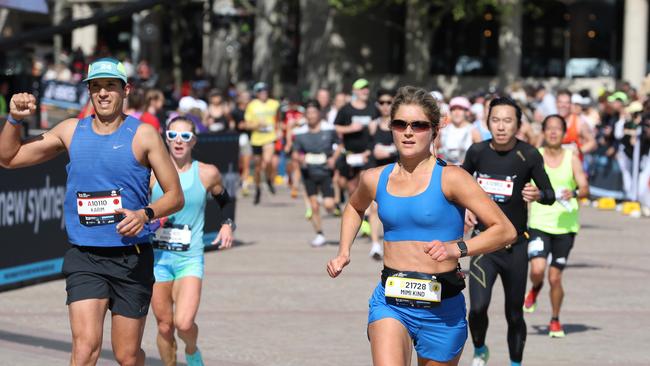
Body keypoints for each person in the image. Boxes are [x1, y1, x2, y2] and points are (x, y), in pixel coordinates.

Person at [0, 57, 184, 366]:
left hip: (131, 256)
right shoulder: (71, 131)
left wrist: (144, 214)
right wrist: (14, 120)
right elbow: (8, 158)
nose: (102, 93)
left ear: (125, 90)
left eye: (110, 86)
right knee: (85, 350)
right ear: (88, 91)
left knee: (127, 356)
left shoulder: (143, 135)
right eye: (95, 86)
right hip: (85, 256)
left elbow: (175, 196)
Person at [327, 86, 516, 366]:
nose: (408, 132)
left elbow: (505, 230)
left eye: (418, 125)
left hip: (443, 305)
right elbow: (355, 207)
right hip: (391, 302)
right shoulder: (375, 178)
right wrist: (344, 251)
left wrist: (459, 249)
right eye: (400, 124)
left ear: (434, 131)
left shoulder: (452, 178)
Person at [462, 97, 556, 366]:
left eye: (507, 121)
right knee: (477, 308)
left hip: (516, 246)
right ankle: (480, 348)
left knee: (514, 313)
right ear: (487, 122)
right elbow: (457, 186)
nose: (501, 126)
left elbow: (549, 194)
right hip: (484, 244)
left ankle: (516, 362)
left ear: (518, 124)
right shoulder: (477, 152)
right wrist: (465, 206)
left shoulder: (528, 154)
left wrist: (538, 193)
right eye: (495, 120)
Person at [150, 116, 235, 366]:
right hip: (157, 259)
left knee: (183, 323)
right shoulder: (151, 174)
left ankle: (191, 348)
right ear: (165, 138)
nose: (178, 141)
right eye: (173, 135)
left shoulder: (207, 173)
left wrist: (227, 224)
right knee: (165, 326)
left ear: (193, 141)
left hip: (189, 258)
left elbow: (225, 200)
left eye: (185, 136)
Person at [522, 114, 589, 338]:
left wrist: (575, 192)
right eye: (548, 128)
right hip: (539, 223)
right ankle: (534, 288)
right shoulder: (534, 156)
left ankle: (555, 319)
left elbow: (585, 187)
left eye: (557, 129)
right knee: (538, 270)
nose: (552, 132)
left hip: (566, 226)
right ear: (543, 132)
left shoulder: (572, 158)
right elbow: (522, 185)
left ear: (563, 133)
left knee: (555, 278)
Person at [292, 100, 340, 246]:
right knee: (313, 206)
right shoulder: (300, 132)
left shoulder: (329, 129)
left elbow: (339, 146)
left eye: (314, 112)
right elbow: (295, 152)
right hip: (309, 172)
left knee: (329, 205)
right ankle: (319, 234)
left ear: (319, 113)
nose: (311, 116)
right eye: (309, 113)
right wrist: (300, 158)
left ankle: (326, 200)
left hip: (325, 172)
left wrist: (333, 158)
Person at [245, 82, 280, 204]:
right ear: (256, 94)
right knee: (258, 168)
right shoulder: (252, 105)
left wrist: (279, 129)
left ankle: (269, 180)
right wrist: (257, 125)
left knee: (268, 161)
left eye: (265, 91)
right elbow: (247, 124)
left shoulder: (274, 104)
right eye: (260, 92)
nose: (263, 94)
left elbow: (279, 119)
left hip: (269, 137)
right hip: (256, 139)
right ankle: (258, 189)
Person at [438, 96, 481, 165]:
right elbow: (434, 151)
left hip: (466, 172)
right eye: (454, 109)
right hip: (445, 171)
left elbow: (480, 155)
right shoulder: (443, 131)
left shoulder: (473, 131)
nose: (457, 112)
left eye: (460, 109)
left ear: (467, 112)